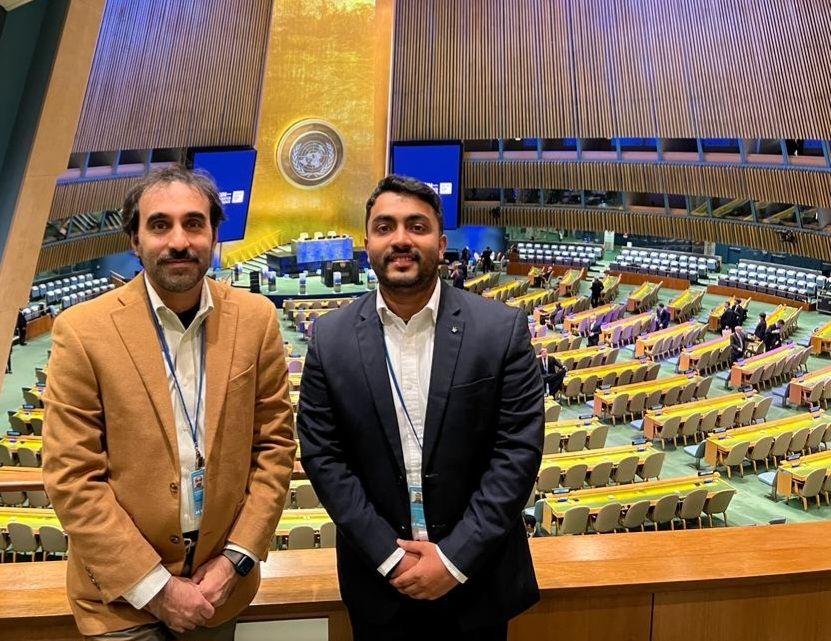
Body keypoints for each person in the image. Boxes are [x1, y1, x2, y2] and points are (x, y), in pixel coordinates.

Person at [42, 166, 297, 640]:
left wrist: (234, 562)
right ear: (135, 240)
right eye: (160, 225)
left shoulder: (256, 320)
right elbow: (72, 476)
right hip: (122, 601)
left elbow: (275, 450)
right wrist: (158, 589)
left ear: (214, 234)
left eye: (194, 223)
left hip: (218, 594)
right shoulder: (82, 331)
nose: (178, 241)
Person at [297, 175, 543, 641]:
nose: (401, 239)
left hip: (477, 580)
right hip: (379, 582)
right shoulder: (330, 339)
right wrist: (389, 557)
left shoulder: (501, 329)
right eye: (385, 227)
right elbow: (324, 459)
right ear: (366, 242)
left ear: (441, 242)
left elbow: (517, 453)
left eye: (417, 226)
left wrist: (454, 559)